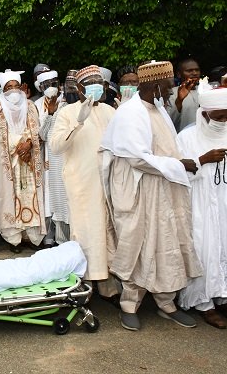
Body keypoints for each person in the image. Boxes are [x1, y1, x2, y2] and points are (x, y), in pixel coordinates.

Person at [100, 60, 203, 331]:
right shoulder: (130, 113)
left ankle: (167, 303)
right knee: (139, 244)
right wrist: (180, 165)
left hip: (165, 191)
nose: (171, 91)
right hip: (140, 192)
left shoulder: (158, 109)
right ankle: (129, 304)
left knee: (167, 243)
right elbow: (137, 159)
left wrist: (179, 164)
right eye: (168, 86)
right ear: (155, 85)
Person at [50, 65, 119, 302]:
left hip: (109, 182)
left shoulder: (111, 111)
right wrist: (77, 123)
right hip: (82, 183)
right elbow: (56, 146)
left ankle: (108, 283)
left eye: (99, 83)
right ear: (78, 89)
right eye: (89, 84)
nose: (95, 88)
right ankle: (86, 283)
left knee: (109, 231)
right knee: (87, 231)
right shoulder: (68, 112)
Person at [177, 81, 227, 329]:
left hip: (224, 201)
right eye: (219, 116)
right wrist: (203, 160)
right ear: (205, 113)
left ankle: (222, 295)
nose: (223, 121)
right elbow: (175, 172)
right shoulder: (187, 137)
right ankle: (203, 302)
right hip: (200, 204)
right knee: (204, 249)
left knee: (223, 248)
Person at [0, 70, 45, 253]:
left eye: (15, 86)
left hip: (29, 161)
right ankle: (14, 240)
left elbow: (36, 129)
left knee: (30, 196)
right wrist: (18, 147)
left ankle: (31, 237)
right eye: (8, 87)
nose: (13, 91)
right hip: (12, 163)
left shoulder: (30, 106)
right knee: (12, 197)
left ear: (21, 88)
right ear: (2, 89)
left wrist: (28, 144)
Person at [38, 71, 70, 245]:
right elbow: (42, 135)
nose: (50, 87)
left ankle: (67, 242)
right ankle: (56, 241)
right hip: (51, 164)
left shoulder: (68, 105)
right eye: (45, 84)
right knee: (54, 203)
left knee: (67, 204)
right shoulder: (41, 105)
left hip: (67, 162)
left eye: (53, 83)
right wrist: (50, 114)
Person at [167, 58, 201, 132]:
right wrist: (179, 100)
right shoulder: (170, 93)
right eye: (189, 71)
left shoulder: (205, 90)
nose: (195, 73)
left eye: (197, 70)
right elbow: (168, 121)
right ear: (179, 74)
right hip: (183, 139)